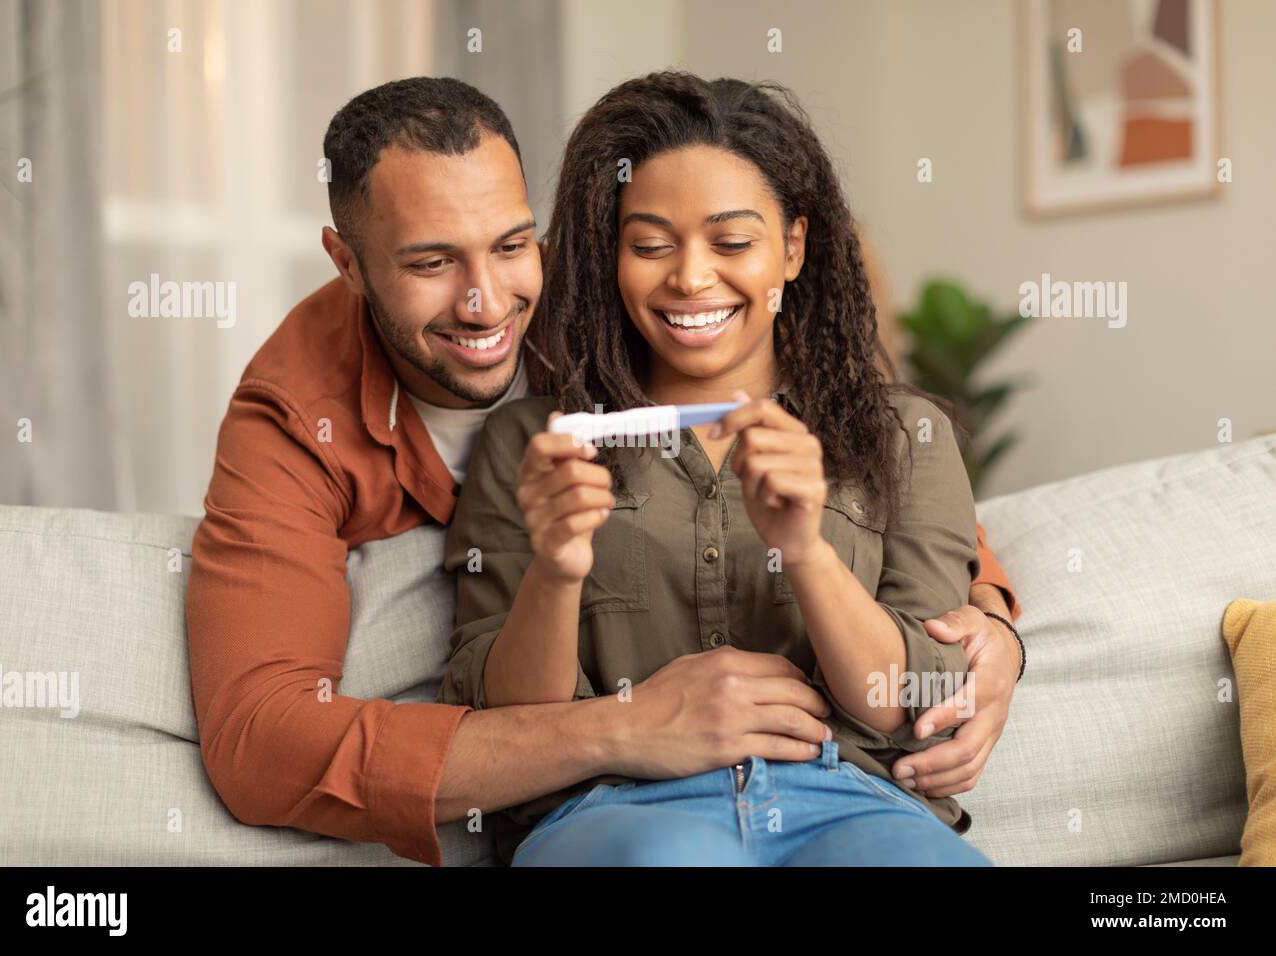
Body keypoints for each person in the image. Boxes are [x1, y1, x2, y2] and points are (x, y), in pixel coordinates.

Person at [186, 76, 1023, 867]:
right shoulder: (298, 418)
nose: (485, 302)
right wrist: (621, 726)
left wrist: (995, 627)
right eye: (430, 263)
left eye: (513, 245)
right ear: (349, 263)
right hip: (614, 800)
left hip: (847, 791)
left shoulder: (617, 300)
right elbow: (262, 740)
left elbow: (901, 521)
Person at [439, 72, 1009, 866]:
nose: (690, 277)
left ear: (794, 248)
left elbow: (901, 703)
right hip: (616, 804)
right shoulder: (536, 443)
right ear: (611, 256)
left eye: (733, 242)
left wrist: (807, 551)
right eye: (650, 245)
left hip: (850, 796)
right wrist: (557, 569)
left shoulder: (905, 434)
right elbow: (508, 717)